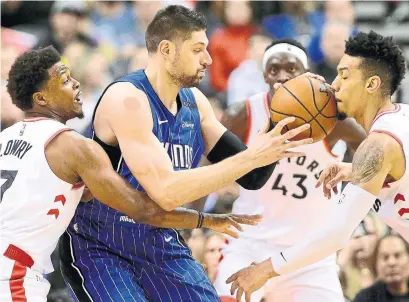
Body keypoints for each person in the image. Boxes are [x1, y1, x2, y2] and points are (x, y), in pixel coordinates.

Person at [60, 5, 313, 302]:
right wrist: (251, 157)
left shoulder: (196, 103)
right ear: (166, 49)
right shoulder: (127, 99)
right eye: (198, 50)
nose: (208, 59)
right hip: (102, 244)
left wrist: (283, 115)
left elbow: (253, 175)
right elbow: (166, 192)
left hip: (159, 239)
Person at [0, 46, 263, 301]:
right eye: (65, 80)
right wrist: (207, 220)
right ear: (41, 99)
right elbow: (144, 211)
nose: (76, 83)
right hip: (13, 273)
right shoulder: (74, 147)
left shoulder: (6, 137)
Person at [227, 30, 409, 302]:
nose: (335, 85)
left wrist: (265, 270)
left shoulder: (378, 146)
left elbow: (335, 235)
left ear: (371, 84)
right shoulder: (399, 117)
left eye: (344, 76)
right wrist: (353, 170)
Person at [214, 38, 366, 302]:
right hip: (250, 244)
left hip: (310, 255)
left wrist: (353, 195)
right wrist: (191, 222)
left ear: (306, 73)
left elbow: (373, 154)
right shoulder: (243, 114)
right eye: (274, 69)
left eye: (291, 69)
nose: (282, 76)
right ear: (263, 74)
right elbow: (207, 169)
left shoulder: (333, 120)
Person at [353, 233, 409, 302]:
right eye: (385, 257)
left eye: (397, 256)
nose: (391, 263)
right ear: (376, 263)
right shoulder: (365, 298)